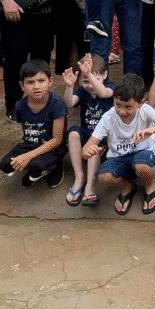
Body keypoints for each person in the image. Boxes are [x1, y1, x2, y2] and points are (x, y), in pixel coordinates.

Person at [82, 73, 155, 217]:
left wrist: (152, 130)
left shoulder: (145, 110)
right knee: (103, 176)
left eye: (128, 107)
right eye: (117, 104)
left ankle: (150, 186)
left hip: (144, 155)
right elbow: (85, 150)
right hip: (119, 158)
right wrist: (88, 151)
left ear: (141, 103)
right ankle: (127, 187)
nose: (122, 111)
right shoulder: (109, 117)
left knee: (143, 165)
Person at [0, 59, 68, 189]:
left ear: (50, 81)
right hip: (30, 144)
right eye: (30, 82)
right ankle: (37, 168)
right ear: (22, 85)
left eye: (41, 81)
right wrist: (26, 154)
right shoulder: (20, 105)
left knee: (37, 165)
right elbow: (26, 131)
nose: (36, 86)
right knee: (5, 164)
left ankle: (55, 165)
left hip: (53, 147)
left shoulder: (57, 104)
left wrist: (27, 156)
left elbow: (57, 140)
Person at [61, 54, 114, 207]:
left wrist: (89, 75)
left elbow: (103, 93)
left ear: (104, 75)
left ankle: (90, 186)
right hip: (88, 133)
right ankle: (79, 178)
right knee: (73, 133)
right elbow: (69, 103)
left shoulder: (110, 87)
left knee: (93, 143)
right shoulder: (83, 92)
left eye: (94, 79)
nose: (90, 85)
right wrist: (69, 86)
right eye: (85, 81)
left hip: (106, 138)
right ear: (80, 81)